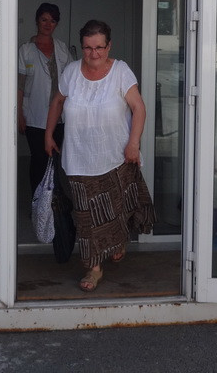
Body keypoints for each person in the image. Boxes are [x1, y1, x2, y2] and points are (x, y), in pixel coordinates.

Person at [45, 20, 155, 292]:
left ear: (109, 46)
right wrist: (48, 134)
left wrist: (134, 143)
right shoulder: (71, 72)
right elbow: (57, 101)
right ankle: (94, 268)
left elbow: (139, 108)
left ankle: (118, 242)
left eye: (99, 48)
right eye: (88, 48)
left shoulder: (121, 71)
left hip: (116, 157)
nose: (93, 53)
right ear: (82, 47)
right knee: (86, 219)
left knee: (117, 210)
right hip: (79, 159)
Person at [18, 3, 73, 199]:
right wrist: (19, 115)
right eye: (44, 20)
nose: (48, 24)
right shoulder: (26, 50)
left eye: (53, 21)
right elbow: (19, 86)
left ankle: (53, 206)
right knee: (39, 160)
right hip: (34, 116)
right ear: (37, 21)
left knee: (55, 162)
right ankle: (37, 203)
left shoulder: (62, 49)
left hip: (59, 118)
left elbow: (71, 82)